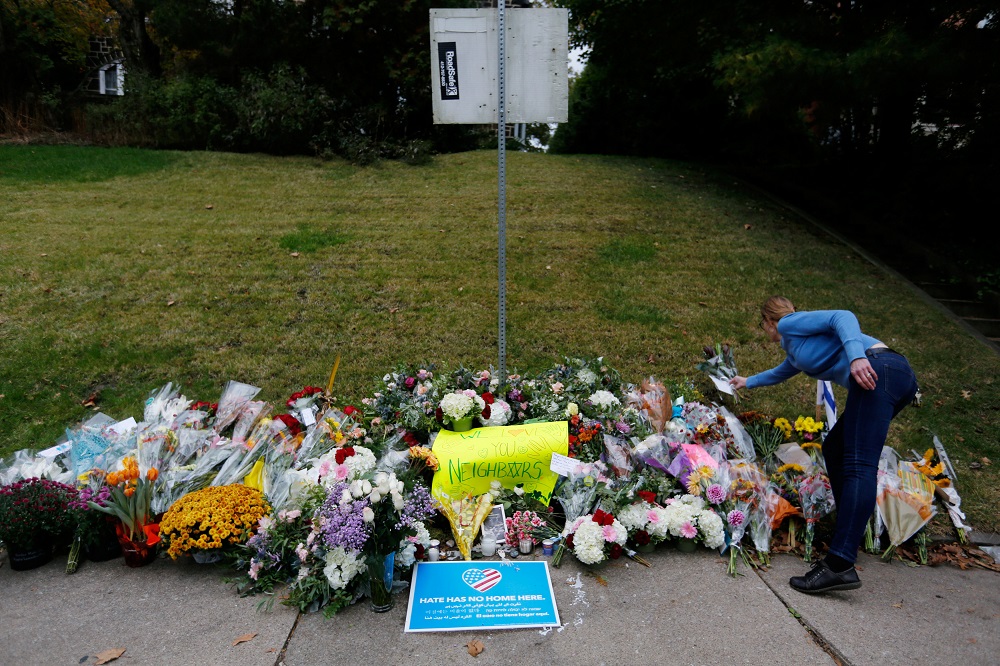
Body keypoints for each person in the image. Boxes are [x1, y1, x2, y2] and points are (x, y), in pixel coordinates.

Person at [730, 296, 918, 594]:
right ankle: (848, 534)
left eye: (762, 324)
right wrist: (747, 381)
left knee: (858, 464)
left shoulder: (790, 323)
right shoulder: (796, 348)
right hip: (891, 375)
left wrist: (856, 357)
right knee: (835, 448)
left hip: (879, 369)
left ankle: (839, 564)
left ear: (769, 321)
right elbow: (782, 371)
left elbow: (842, 316)